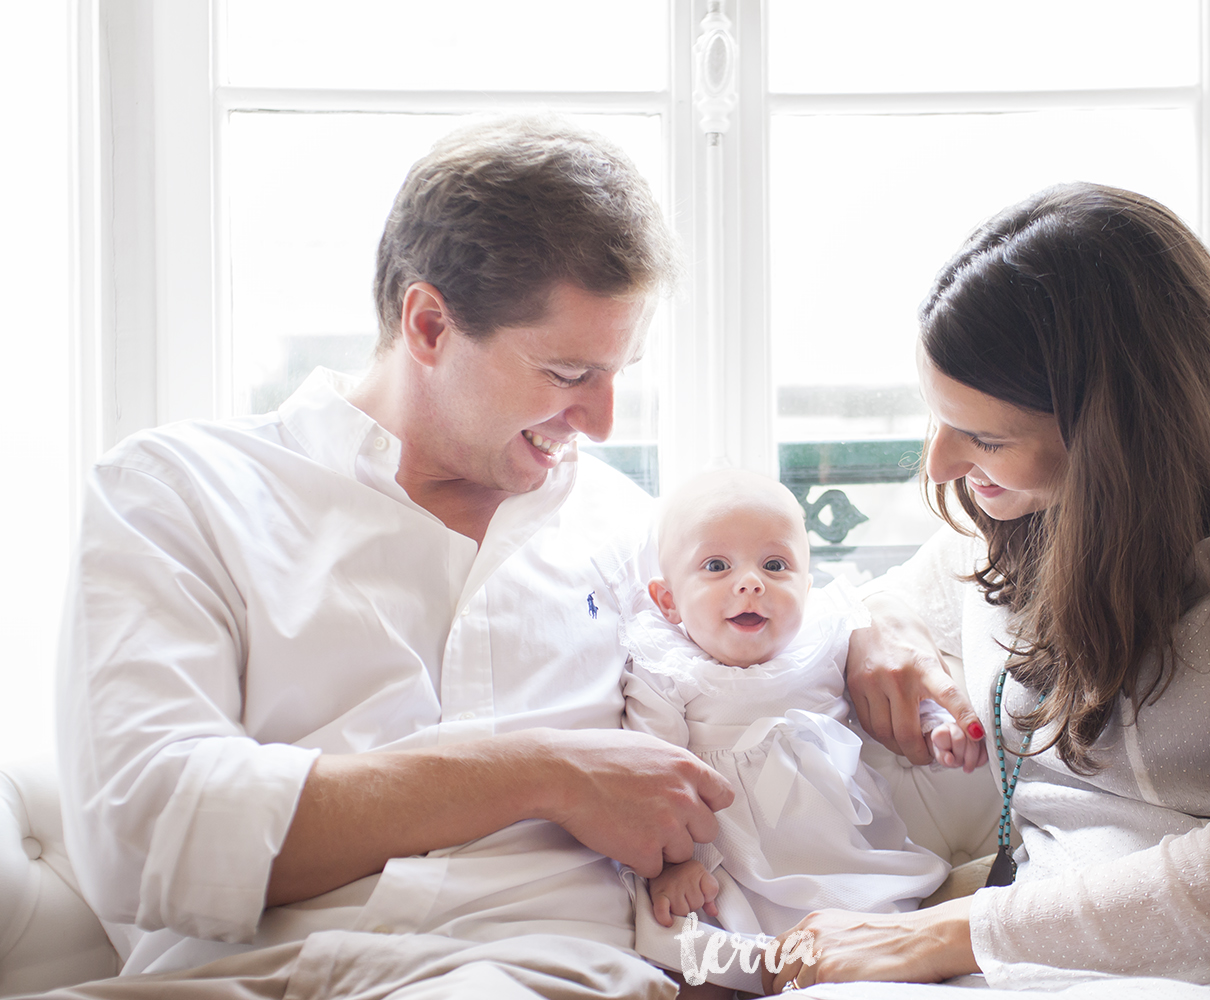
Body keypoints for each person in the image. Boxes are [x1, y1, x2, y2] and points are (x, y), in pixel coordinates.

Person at [42, 116, 756, 1000]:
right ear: (428, 324)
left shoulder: (631, 529)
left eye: (621, 372)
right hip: (262, 977)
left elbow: (777, 661)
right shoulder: (178, 490)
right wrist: (543, 775)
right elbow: (143, 830)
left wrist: (880, 648)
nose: (603, 422)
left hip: (571, 975)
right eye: (569, 375)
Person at [762, 183, 1210, 997]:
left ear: (1116, 432)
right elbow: (893, 604)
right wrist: (879, 635)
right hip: (1059, 967)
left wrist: (945, 935)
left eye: (984, 436)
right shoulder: (1029, 507)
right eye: (935, 418)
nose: (939, 466)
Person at [611, 470, 969, 992]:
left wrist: (937, 725)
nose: (751, 582)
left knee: (868, 942)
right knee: (694, 958)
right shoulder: (668, 668)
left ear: (805, 584)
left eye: (775, 565)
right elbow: (653, 778)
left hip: (836, 855)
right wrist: (673, 865)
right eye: (716, 566)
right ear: (668, 601)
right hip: (724, 864)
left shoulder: (823, 640)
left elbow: (902, 690)